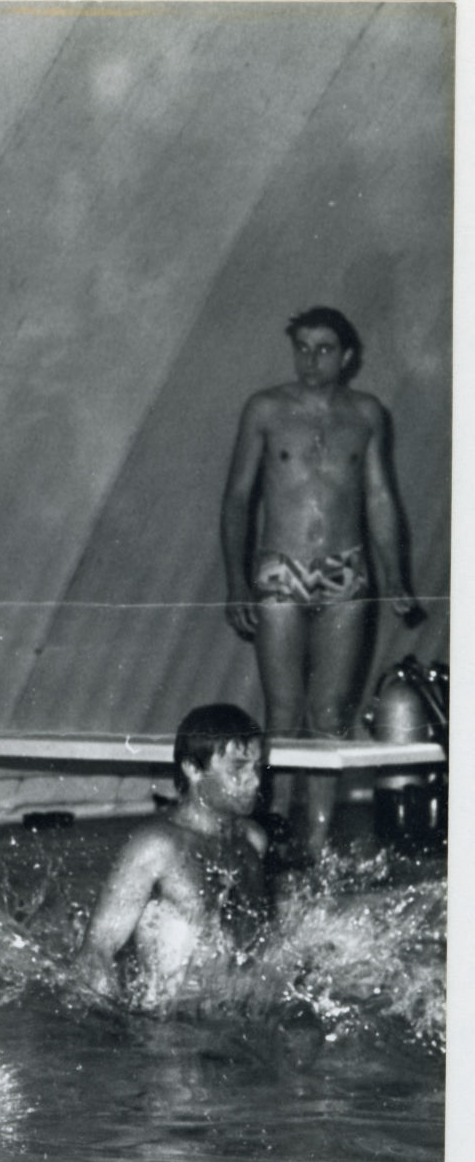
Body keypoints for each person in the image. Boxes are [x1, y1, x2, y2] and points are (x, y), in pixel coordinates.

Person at [220, 307, 418, 856]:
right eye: (302, 348)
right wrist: (236, 582)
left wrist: (396, 575)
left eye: (324, 349)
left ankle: (317, 840)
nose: (311, 360)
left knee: (329, 715)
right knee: (283, 711)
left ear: (347, 356)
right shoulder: (265, 409)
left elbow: (380, 498)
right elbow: (237, 499)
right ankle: (275, 831)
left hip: (345, 573)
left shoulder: (366, 414)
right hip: (279, 570)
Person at [72, 704, 270, 1010]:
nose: (254, 781)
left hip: (232, 1016)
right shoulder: (157, 846)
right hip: (163, 1023)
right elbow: (96, 952)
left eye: (257, 767)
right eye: (238, 769)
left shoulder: (252, 842)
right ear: (192, 769)